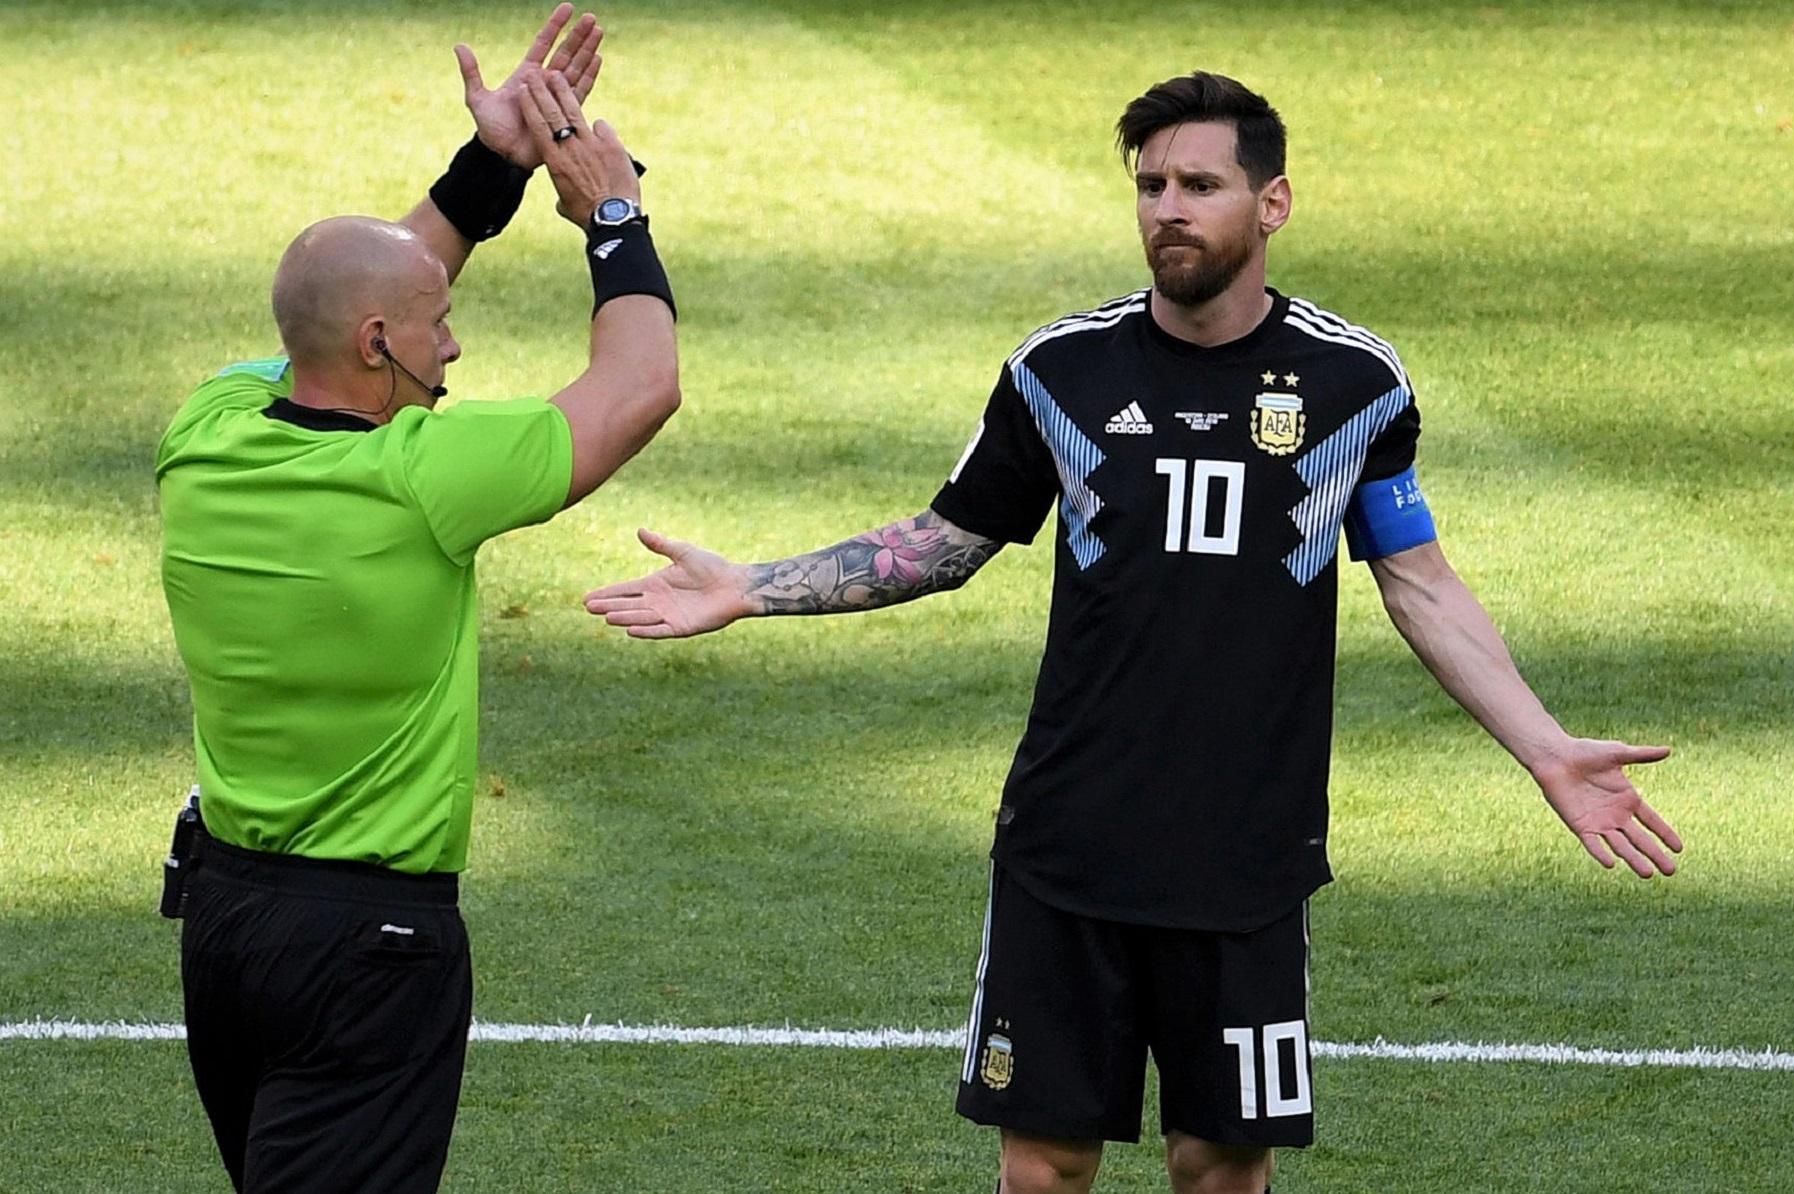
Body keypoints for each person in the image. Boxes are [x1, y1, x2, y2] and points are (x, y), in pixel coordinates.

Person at [581, 71, 1683, 1194]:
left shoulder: (1358, 386)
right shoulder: (1061, 371)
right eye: (1150, 183)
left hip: (1249, 856)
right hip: (1070, 842)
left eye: (1200, 183)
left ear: (1273, 203)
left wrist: (1546, 748)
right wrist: (753, 587)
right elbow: (946, 541)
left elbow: (1420, 582)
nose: (1168, 206)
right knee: (1046, 1167)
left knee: (1220, 1167)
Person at [154, 7, 679, 1190]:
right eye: (438, 329)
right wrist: (611, 212)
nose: (456, 349)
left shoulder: (207, 429)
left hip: (230, 926)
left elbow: (356, 287)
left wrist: (488, 164)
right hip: (369, 948)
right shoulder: (420, 478)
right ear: (382, 343)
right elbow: (640, 382)